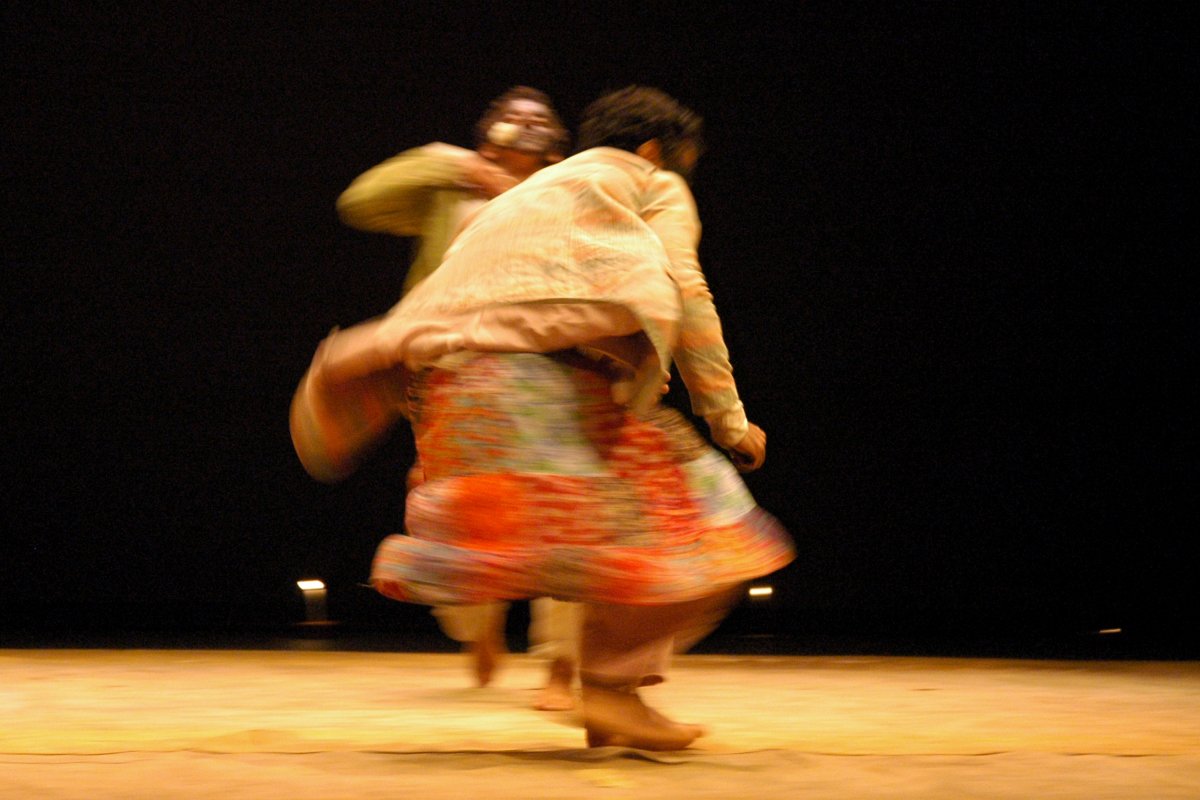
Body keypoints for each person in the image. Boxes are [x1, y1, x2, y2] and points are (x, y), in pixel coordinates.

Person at [291, 85, 794, 749]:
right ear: (651, 150)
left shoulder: (526, 193)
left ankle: (606, 695)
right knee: (715, 533)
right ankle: (610, 691)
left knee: (604, 546)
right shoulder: (651, 181)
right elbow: (688, 292)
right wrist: (728, 420)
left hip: (453, 396)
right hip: (540, 388)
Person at [335, 86, 580, 709]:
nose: (524, 124)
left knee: (573, 508)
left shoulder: (570, 189)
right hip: (455, 370)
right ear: (486, 130)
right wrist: (449, 161)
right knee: (467, 512)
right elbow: (359, 203)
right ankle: (478, 624)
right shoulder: (453, 191)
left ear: (556, 141)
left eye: (539, 119)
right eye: (509, 115)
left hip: (548, 367)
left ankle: (562, 666)